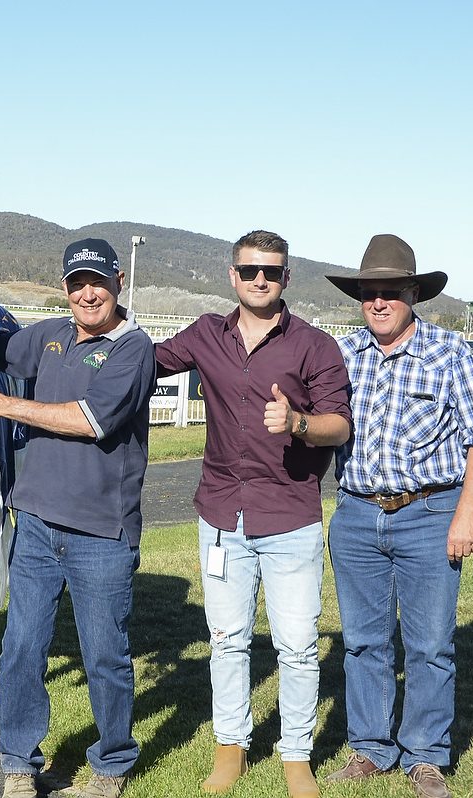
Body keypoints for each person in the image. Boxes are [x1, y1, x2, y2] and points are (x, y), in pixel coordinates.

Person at [154, 230, 352, 798]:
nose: (259, 279)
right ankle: (231, 746)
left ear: (287, 277)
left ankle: (296, 756)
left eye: (271, 271)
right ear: (231, 275)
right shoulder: (204, 335)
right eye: (249, 270)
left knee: (295, 645)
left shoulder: (315, 346)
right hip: (221, 516)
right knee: (228, 639)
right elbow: (137, 363)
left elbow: (338, 425)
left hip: (290, 517)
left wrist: (297, 424)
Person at [0, 238, 156, 798]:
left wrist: (5, 406)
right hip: (38, 524)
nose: (86, 293)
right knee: (22, 646)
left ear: (118, 281)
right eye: (76, 284)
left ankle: (112, 763)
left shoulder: (132, 347)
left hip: (102, 531)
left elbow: (91, 420)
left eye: (96, 281)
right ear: (64, 287)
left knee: (104, 655)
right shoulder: (48, 336)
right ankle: (19, 762)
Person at [323, 234, 473, 798]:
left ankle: (425, 755)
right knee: (362, 640)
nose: (378, 302)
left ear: (413, 294)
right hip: (355, 515)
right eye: (368, 293)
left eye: (390, 292)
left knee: (430, 643)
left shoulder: (450, 354)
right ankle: (371, 748)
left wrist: (467, 514)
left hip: (429, 512)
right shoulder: (344, 354)